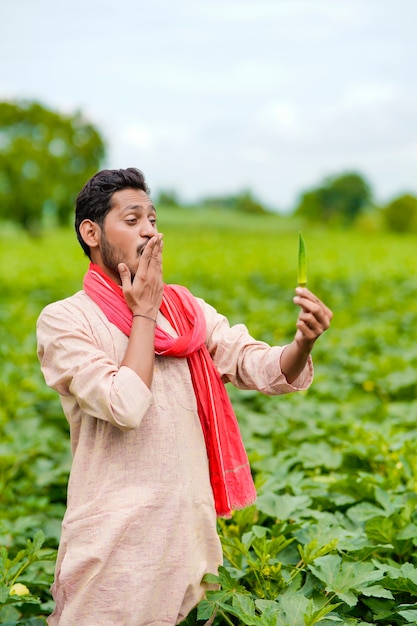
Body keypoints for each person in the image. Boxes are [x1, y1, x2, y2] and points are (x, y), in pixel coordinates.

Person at [36, 167, 333, 626]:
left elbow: (256, 365)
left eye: (152, 219)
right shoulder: (65, 320)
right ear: (91, 233)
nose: (150, 232)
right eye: (133, 220)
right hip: (113, 549)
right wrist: (145, 311)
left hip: (189, 543)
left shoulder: (186, 311)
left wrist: (302, 344)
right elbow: (126, 404)